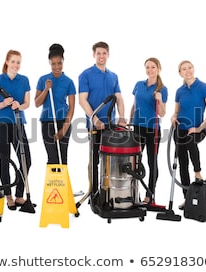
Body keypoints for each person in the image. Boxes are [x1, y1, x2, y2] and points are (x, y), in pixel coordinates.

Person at [78, 41, 127, 194]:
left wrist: (122, 117)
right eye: (98, 53)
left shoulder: (113, 76)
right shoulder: (85, 75)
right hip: (94, 125)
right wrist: (95, 119)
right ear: (94, 55)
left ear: (108, 55)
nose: (101, 56)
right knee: (94, 158)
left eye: (104, 53)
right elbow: (82, 100)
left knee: (110, 159)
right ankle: (92, 192)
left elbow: (119, 97)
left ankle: (106, 190)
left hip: (110, 125)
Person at [0, 49, 31, 210]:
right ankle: (9, 196)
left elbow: (27, 103)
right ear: (7, 62)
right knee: (4, 161)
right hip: (1, 125)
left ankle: (20, 195)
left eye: (18, 62)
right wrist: (4, 104)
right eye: (13, 61)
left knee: (26, 160)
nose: (15, 65)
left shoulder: (24, 80)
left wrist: (19, 105)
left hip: (19, 124)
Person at [171, 60, 206, 210]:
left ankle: (198, 172)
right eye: (184, 69)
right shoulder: (179, 91)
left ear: (193, 69)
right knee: (182, 164)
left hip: (198, 129)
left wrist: (199, 128)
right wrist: (173, 117)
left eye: (190, 68)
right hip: (180, 129)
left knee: (190, 140)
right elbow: (176, 111)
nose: (188, 71)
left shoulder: (203, 87)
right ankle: (187, 198)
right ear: (180, 73)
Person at [129, 57, 168, 205]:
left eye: (153, 67)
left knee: (152, 162)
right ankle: (133, 193)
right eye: (148, 67)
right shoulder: (139, 85)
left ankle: (150, 195)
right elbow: (134, 105)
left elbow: (163, 113)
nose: (150, 70)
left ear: (158, 69)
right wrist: (129, 120)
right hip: (137, 127)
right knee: (134, 162)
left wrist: (159, 100)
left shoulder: (162, 89)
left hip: (153, 129)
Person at [35, 44, 76, 166]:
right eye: (53, 64)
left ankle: (62, 185)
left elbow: (72, 107)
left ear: (63, 62)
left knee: (62, 159)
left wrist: (63, 130)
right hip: (47, 123)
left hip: (64, 122)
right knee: (52, 159)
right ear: (49, 63)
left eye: (59, 63)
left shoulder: (69, 82)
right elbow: (37, 103)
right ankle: (53, 185)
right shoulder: (43, 80)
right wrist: (46, 89)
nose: (57, 67)